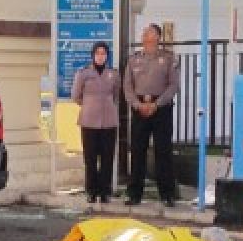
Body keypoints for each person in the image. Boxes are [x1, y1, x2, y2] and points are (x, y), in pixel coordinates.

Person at [123, 24, 180, 207]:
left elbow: (173, 86)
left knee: (163, 151)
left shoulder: (168, 59)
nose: (144, 34)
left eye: (149, 32)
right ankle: (134, 194)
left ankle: (167, 194)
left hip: (161, 108)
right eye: (144, 32)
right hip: (139, 108)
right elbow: (127, 87)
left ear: (157, 37)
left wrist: (157, 104)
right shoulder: (133, 60)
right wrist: (137, 104)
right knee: (138, 151)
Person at [71, 41, 120, 203]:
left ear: (107, 56)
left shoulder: (113, 73)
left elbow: (116, 94)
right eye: (98, 53)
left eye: (104, 53)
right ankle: (91, 191)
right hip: (89, 121)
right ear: (93, 55)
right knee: (90, 158)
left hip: (108, 121)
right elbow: (76, 96)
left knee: (107, 157)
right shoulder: (83, 73)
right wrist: (90, 105)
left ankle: (105, 191)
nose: (101, 56)